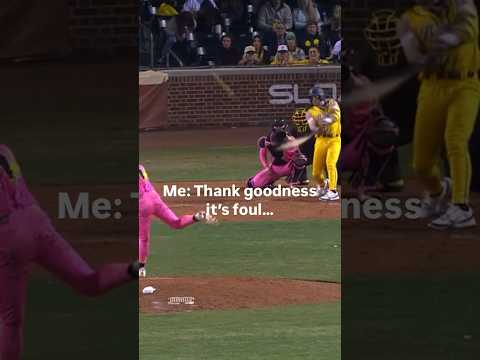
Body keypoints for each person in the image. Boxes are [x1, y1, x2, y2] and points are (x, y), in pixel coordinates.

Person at [0, 145, 139, 360]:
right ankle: (135, 268)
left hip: (10, 237)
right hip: (37, 222)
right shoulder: (5, 151)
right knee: (88, 282)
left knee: (9, 321)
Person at [397, 0, 479, 229]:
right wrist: (425, 60)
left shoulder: (462, 4)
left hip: (465, 84)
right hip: (432, 88)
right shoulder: (407, 20)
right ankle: (438, 192)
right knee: (421, 163)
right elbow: (412, 55)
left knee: (456, 141)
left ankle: (461, 207)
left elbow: (469, 29)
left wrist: (445, 41)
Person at [138, 165, 215, 277]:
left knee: (143, 239)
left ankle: (141, 268)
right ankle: (196, 217)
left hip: (144, 205)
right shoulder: (141, 167)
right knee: (176, 223)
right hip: (155, 198)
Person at [247, 121, 307, 188]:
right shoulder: (267, 141)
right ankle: (268, 183)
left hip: (288, 166)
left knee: (301, 159)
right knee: (252, 185)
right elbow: (262, 154)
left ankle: (294, 181)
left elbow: (297, 154)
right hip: (274, 169)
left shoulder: (291, 140)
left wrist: (287, 154)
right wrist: (267, 166)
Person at [307, 86, 342, 201]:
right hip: (320, 141)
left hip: (334, 140)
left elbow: (336, 116)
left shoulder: (332, 103)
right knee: (316, 172)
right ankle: (323, 185)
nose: (312, 100)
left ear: (319, 97)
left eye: (313, 98)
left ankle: (333, 191)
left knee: (330, 163)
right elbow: (312, 126)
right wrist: (317, 129)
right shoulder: (310, 111)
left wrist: (324, 121)